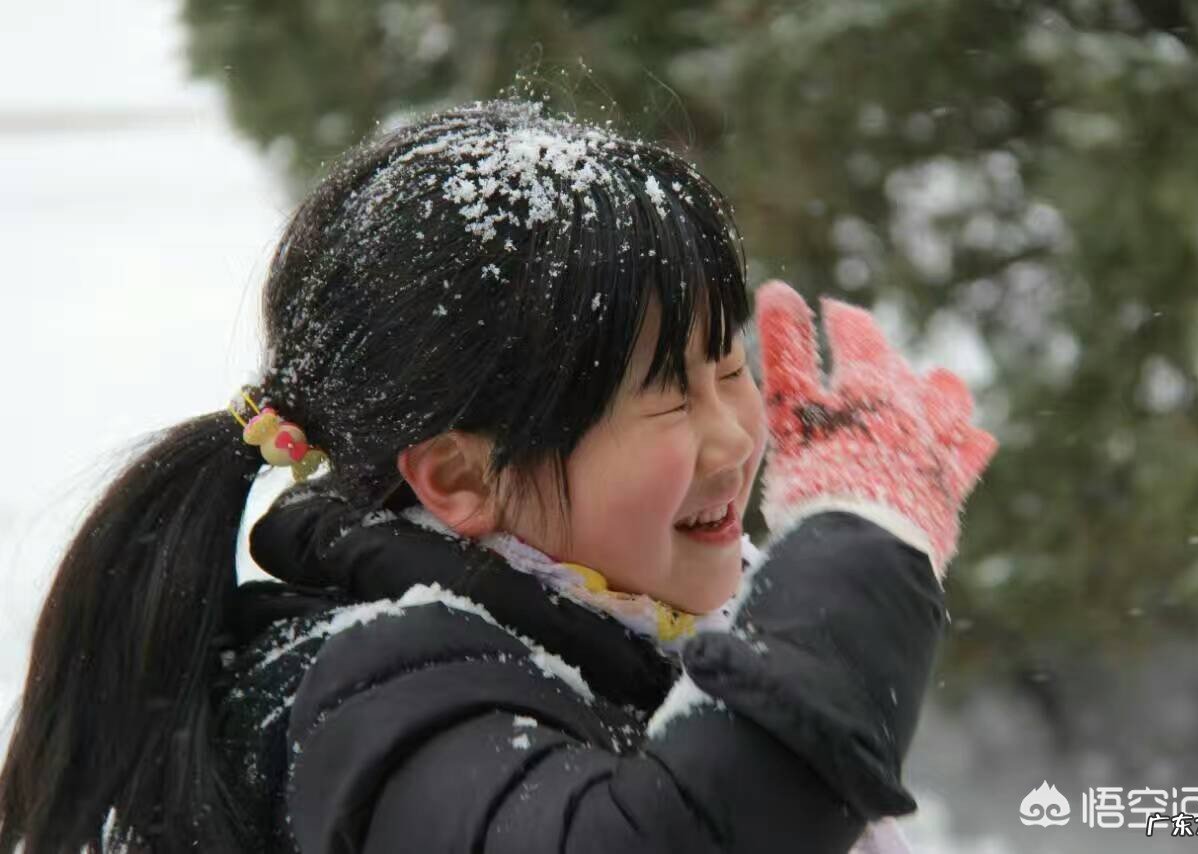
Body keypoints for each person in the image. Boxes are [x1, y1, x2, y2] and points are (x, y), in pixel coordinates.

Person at [0, 98, 996, 853]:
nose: (737, 437)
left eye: (729, 367)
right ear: (459, 478)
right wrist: (862, 547)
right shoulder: (380, 694)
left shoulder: (604, 635)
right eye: (667, 394)